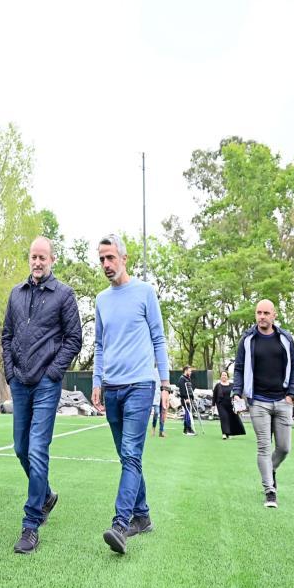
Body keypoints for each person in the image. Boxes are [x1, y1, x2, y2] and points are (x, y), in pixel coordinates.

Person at [90, 233, 170, 554]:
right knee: (127, 457)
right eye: (102, 259)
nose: (106, 264)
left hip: (140, 385)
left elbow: (159, 339)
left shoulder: (145, 292)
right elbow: (98, 345)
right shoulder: (100, 300)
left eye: (110, 258)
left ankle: (121, 524)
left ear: (124, 258)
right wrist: (97, 381)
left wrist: (164, 385)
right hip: (111, 388)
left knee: (132, 454)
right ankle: (144, 516)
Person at [2, 236, 82, 554]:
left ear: (52, 260)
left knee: (37, 449)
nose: (37, 262)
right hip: (19, 382)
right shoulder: (16, 294)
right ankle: (46, 495)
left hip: (47, 384)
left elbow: (74, 339)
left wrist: (53, 372)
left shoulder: (64, 295)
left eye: (42, 257)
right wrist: (10, 373)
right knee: (21, 448)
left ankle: (31, 524)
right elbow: (7, 335)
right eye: (33, 257)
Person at [232, 299, 294, 509]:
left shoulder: (285, 338)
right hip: (258, 401)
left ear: (274, 315)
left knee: (284, 447)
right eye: (258, 313)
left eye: (266, 313)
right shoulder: (248, 339)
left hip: (283, 400)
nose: (262, 316)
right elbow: (239, 368)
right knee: (264, 445)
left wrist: (291, 394)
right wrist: (237, 393)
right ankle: (270, 491)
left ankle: (271, 470)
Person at [212, 371, 245, 440]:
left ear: (227, 377)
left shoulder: (232, 385)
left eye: (225, 375)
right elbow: (214, 396)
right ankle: (224, 433)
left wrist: (239, 405)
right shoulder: (218, 385)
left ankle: (229, 433)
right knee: (224, 418)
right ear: (220, 376)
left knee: (231, 418)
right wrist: (213, 405)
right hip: (221, 405)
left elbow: (236, 394)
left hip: (230, 405)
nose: (224, 376)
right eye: (222, 375)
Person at [177, 365, 197, 436]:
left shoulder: (188, 378)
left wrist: (192, 398)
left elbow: (189, 389)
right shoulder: (182, 379)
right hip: (185, 399)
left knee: (188, 414)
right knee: (188, 414)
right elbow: (182, 390)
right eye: (189, 371)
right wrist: (186, 398)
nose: (190, 372)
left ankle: (186, 429)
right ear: (185, 371)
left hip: (189, 398)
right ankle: (188, 429)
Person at [151, 367, 166, 437]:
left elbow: (166, 384)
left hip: (163, 395)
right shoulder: (154, 371)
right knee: (156, 412)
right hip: (156, 395)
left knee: (163, 413)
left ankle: (161, 431)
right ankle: (153, 427)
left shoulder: (165, 372)